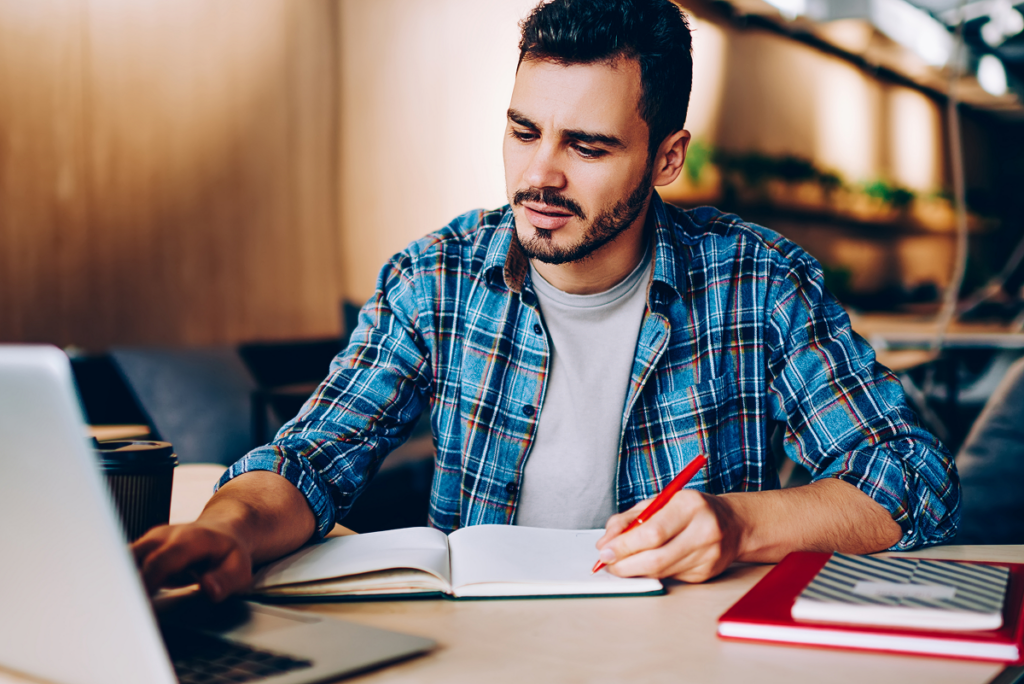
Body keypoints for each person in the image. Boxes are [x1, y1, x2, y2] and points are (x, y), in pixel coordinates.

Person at [133, 0, 960, 601]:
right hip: (481, 658)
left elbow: (913, 485)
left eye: (587, 145)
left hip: (686, 662)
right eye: (524, 131)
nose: (540, 177)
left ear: (666, 158)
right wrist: (229, 529)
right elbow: (313, 457)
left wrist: (741, 526)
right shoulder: (436, 280)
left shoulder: (761, 282)